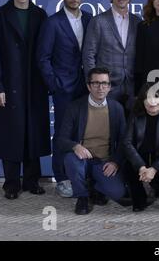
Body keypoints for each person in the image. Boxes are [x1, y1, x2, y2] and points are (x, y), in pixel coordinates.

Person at [0, 0, 50, 200]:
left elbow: (45, 52)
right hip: (8, 85)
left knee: (32, 132)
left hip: (34, 86)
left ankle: (32, 180)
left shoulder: (40, 15)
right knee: (10, 133)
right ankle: (11, 183)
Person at [37, 0, 92, 198]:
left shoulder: (90, 19)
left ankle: (84, 175)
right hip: (64, 89)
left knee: (87, 132)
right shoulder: (52, 23)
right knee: (62, 133)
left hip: (87, 86)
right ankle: (61, 178)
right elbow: (43, 58)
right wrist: (55, 85)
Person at [57, 67, 127, 215]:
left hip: (103, 161)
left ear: (109, 87)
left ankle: (94, 187)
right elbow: (61, 139)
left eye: (104, 83)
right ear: (89, 86)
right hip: (81, 159)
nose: (100, 87)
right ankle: (82, 196)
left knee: (118, 192)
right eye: (95, 83)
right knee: (70, 159)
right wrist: (75, 146)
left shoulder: (117, 108)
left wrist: (115, 161)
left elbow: (124, 141)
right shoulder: (75, 107)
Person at [83, 0, 141, 113]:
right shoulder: (98, 21)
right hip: (107, 88)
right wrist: (94, 83)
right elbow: (88, 55)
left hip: (132, 87)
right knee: (108, 130)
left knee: (130, 131)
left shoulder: (138, 23)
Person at [124, 83, 159, 212]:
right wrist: (141, 167)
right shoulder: (135, 115)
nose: (152, 102)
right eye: (148, 98)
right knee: (128, 164)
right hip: (142, 157)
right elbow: (127, 143)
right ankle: (140, 199)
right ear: (142, 100)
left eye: (156, 97)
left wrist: (154, 169)